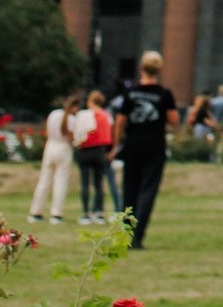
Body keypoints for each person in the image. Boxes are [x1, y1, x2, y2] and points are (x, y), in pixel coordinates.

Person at [112, 50, 178, 250]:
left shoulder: (130, 92)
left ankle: (126, 234)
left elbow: (120, 122)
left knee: (129, 191)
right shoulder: (164, 94)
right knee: (147, 191)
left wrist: (115, 146)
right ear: (159, 70)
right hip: (154, 147)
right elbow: (174, 120)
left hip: (133, 145)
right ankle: (138, 237)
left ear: (141, 68)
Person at [29, 94, 78, 224]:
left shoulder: (54, 114)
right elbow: (71, 137)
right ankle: (56, 213)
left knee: (44, 180)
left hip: (51, 146)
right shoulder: (71, 119)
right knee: (60, 181)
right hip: (63, 147)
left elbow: (47, 132)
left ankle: (36, 211)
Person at [72, 90, 115, 224]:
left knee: (85, 182)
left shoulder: (86, 115)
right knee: (99, 183)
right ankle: (99, 213)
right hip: (100, 150)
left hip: (86, 150)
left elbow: (79, 133)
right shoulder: (106, 116)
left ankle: (86, 213)